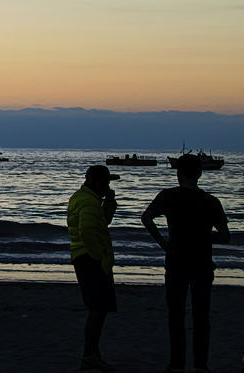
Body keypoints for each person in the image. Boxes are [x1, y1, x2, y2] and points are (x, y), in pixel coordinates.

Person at [140, 154, 231, 373]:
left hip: (176, 261)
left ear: (178, 173)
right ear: (199, 173)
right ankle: (201, 365)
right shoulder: (210, 201)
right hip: (202, 263)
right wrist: (204, 238)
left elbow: (146, 217)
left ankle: (176, 364)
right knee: (201, 315)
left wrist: (163, 243)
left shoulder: (168, 196)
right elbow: (225, 236)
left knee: (176, 315)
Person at [68, 165, 120, 372]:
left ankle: (92, 354)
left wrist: (110, 203)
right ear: (98, 183)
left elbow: (102, 223)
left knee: (98, 309)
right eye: (106, 182)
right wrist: (99, 258)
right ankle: (90, 355)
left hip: (85, 258)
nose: (108, 186)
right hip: (90, 260)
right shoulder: (89, 202)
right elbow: (87, 232)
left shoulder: (85, 199)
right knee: (98, 310)